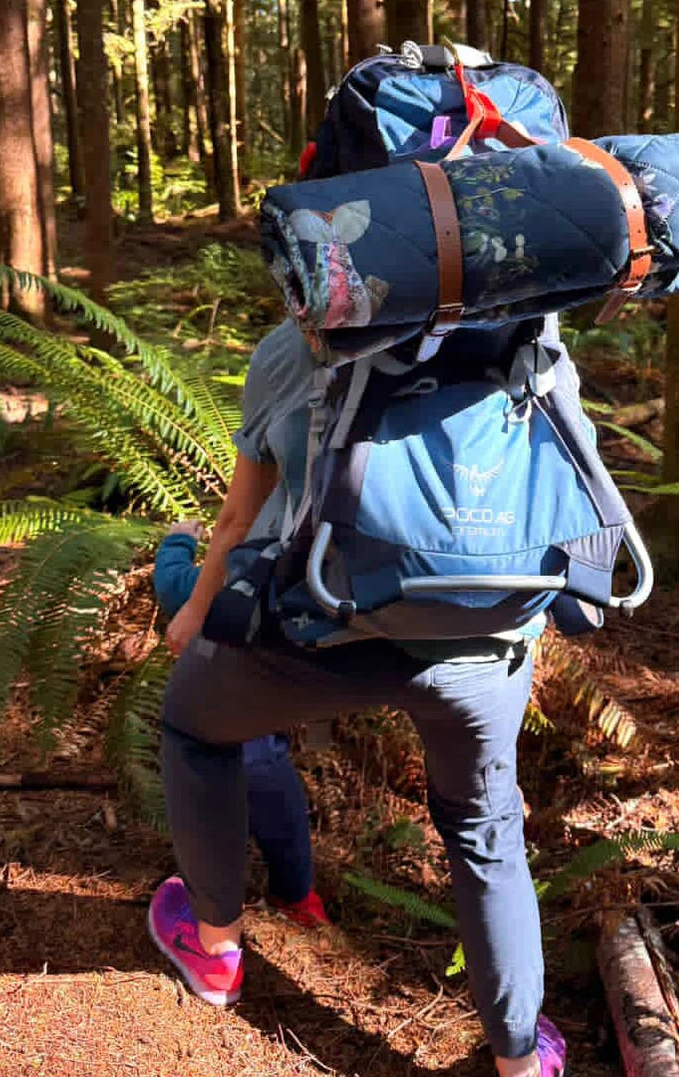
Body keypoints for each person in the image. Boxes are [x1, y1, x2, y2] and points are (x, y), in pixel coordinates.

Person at [147, 319, 568, 1077]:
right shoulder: (531, 330)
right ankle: (520, 1061)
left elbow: (240, 519)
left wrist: (195, 607)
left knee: (193, 730)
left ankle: (214, 954)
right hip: (481, 643)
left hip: (314, 629)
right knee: (485, 828)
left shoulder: (296, 344)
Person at [151, 520, 329, 930]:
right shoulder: (307, 580)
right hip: (272, 716)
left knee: (206, 795)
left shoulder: (218, 582)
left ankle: (214, 923)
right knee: (271, 783)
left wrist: (178, 538)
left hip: (212, 719)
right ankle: (298, 895)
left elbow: (172, 583)